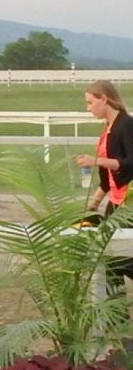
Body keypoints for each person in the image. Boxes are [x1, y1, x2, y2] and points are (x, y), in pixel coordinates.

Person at [75, 79, 133, 292]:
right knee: (110, 256)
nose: (88, 108)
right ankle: (115, 315)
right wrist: (94, 202)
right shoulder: (109, 129)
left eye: (91, 103)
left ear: (104, 99)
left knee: (119, 257)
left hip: (128, 203)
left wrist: (95, 160)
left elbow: (130, 163)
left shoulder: (126, 125)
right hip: (117, 201)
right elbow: (107, 178)